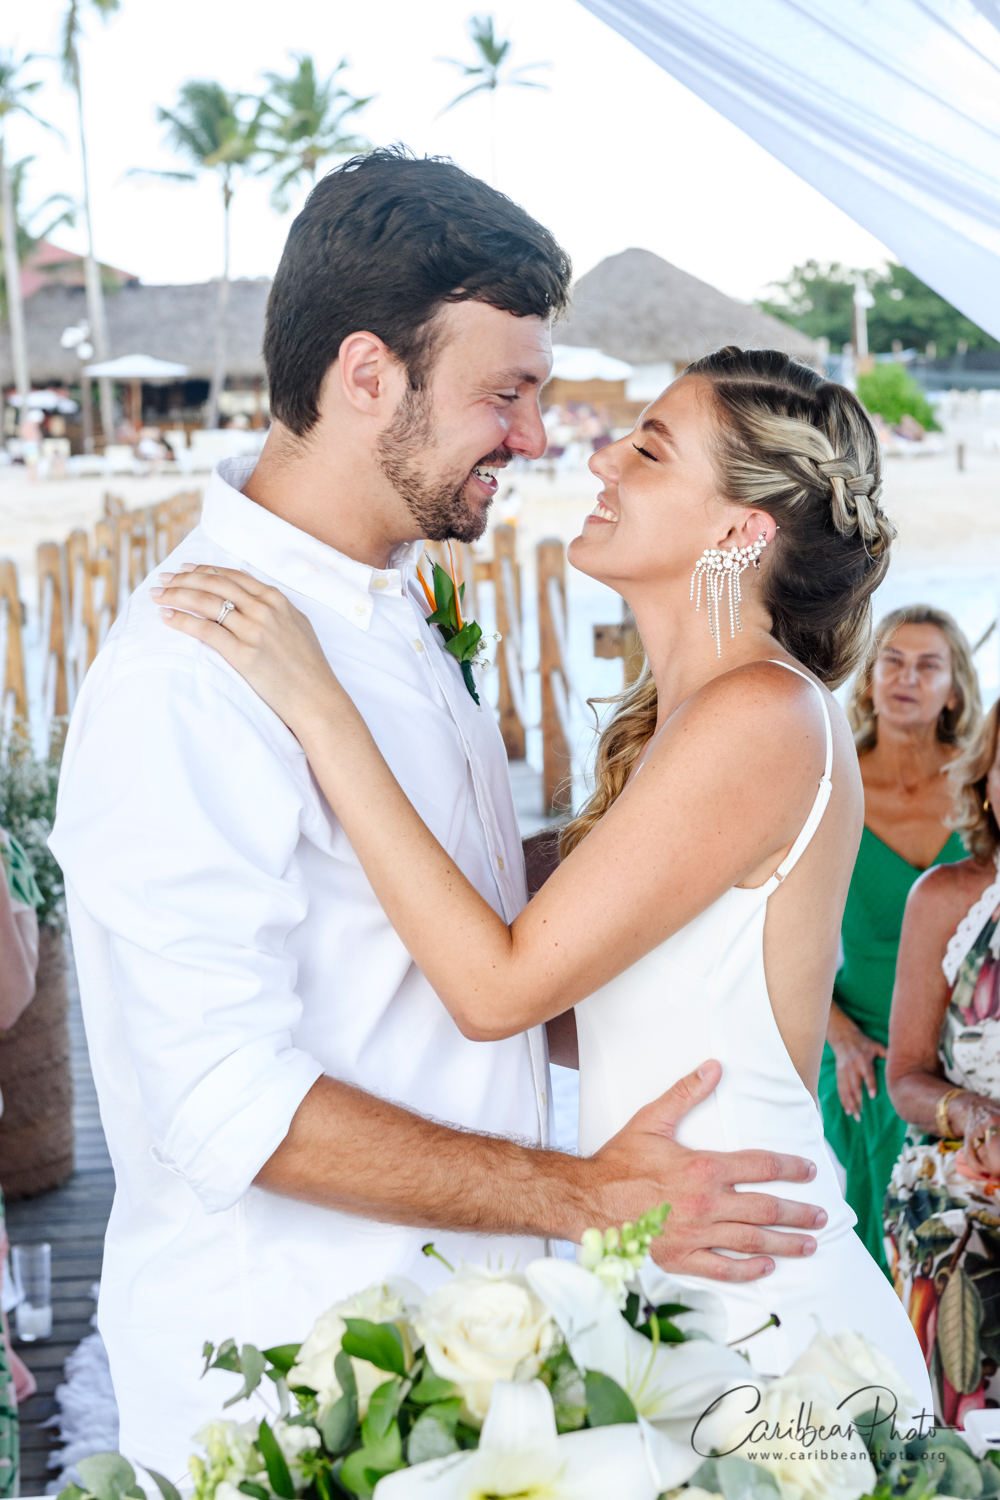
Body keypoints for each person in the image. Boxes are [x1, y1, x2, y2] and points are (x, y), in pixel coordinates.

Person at [50, 152, 825, 1479]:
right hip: (300, 1388)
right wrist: (586, 1197)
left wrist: (677, 854)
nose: (536, 437)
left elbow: (448, 902)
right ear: (368, 376)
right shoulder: (192, 668)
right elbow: (219, 1099)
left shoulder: (402, 597)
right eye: (504, 394)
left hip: (483, 1361)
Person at [152, 342, 933, 1409]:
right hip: (670, 1259)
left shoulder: (762, 714)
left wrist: (321, 707)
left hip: (753, 1291)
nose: (602, 459)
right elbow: (600, 1012)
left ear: (739, 533)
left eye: (649, 450)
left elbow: (498, 990)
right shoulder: (698, 719)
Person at [820, 606, 977, 1276]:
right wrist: (839, 1036)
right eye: (892, 660)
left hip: (974, 1033)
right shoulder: (829, 784)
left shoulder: (985, 787)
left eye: (928, 665)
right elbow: (765, 925)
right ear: (868, 679)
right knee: (882, 1117)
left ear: (954, 692)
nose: (906, 677)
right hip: (865, 1037)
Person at [884, 699, 1000, 1422]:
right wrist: (974, 1115)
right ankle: (963, 1458)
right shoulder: (946, 898)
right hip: (964, 1165)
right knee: (957, 1255)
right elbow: (905, 1077)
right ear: (985, 782)